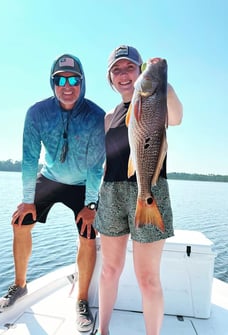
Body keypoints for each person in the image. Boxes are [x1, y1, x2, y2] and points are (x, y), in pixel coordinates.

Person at [0, 53, 105, 332]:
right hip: (51, 177)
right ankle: (20, 285)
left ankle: (81, 301)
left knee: (88, 233)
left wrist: (91, 205)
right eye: (60, 80)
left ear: (83, 82)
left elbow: (95, 166)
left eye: (74, 80)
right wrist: (28, 200)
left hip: (82, 184)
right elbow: (30, 158)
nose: (67, 86)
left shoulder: (96, 117)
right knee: (20, 222)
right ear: (52, 82)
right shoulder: (36, 113)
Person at [94, 45, 183, 335]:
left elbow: (178, 117)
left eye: (129, 67)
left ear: (140, 70)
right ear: (110, 78)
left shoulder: (155, 99)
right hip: (111, 194)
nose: (123, 74)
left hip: (149, 190)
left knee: (148, 279)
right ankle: (103, 330)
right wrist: (97, 201)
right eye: (116, 70)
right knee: (109, 270)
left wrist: (161, 80)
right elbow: (107, 163)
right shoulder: (109, 117)